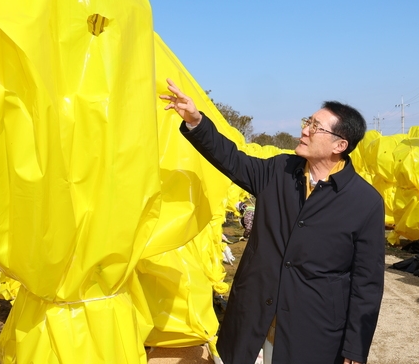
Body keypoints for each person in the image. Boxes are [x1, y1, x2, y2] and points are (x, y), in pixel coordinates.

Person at [160, 78, 385, 364]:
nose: (304, 130)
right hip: (254, 315)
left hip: (312, 330)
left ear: (340, 144)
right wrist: (195, 120)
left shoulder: (364, 202)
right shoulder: (280, 171)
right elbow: (232, 159)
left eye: (315, 127)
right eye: (308, 122)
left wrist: (355, 348)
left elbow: (367, 283)